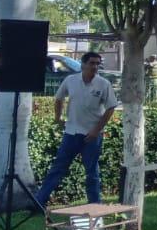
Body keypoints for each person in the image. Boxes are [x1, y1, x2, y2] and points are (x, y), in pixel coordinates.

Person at [35, 51, 118, 207]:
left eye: (97, 63)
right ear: (83, 64)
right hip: (72, 133)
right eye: (92, 63)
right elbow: (59, 98)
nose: (95, 67)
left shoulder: (103, 84)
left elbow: (110, 108)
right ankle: (39, 202)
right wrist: (58, 118)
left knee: (92, 172)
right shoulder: (71, 80)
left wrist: (96, 130)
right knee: (58, 168)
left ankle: (94, 205)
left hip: (92, 135)